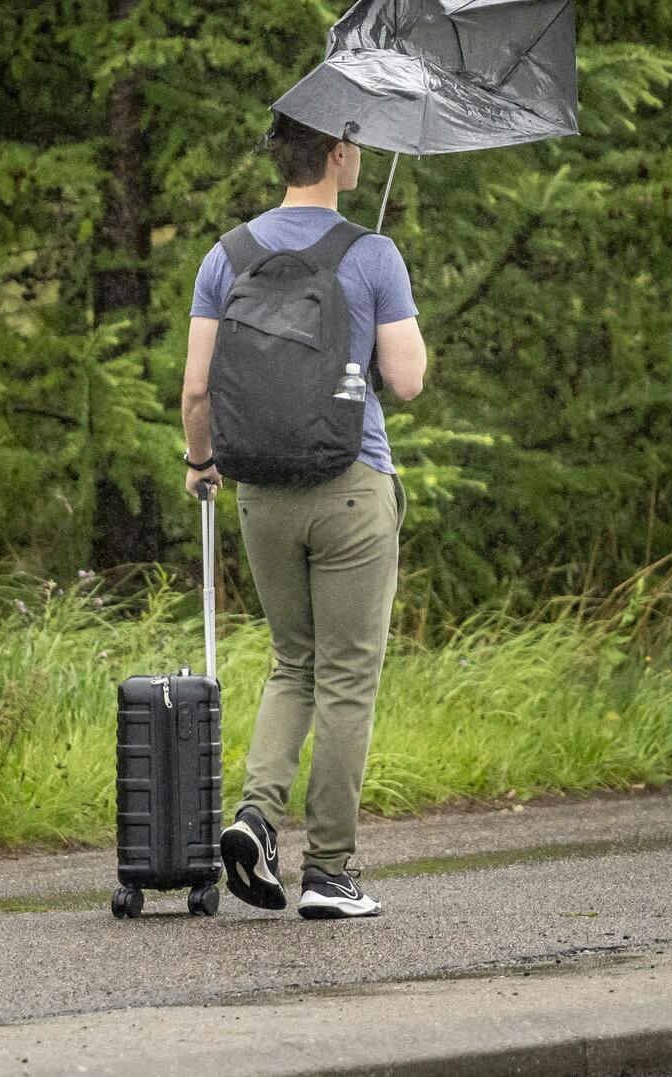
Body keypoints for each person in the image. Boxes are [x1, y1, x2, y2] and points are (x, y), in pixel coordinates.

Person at [180, 113, 428, 919]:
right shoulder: (374, 253)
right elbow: (409, 379)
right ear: (339, 153)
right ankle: (328, 871)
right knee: (348, 678)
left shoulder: (228, 255)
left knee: (295, 663)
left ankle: (255, 817)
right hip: (354, 487)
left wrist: (201, 463)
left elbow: (195, 390)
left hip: (259, 495)